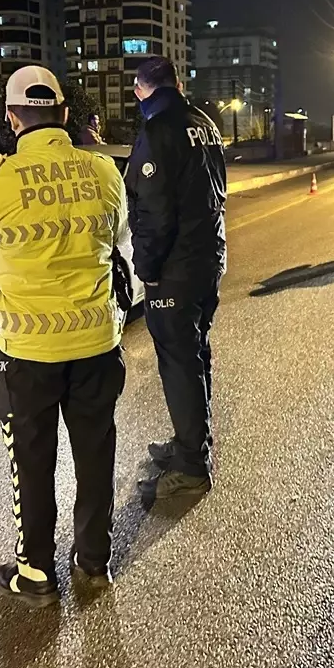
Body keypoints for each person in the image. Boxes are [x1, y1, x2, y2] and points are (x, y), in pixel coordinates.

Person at [0, 65, 129, 608]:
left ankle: (35, 572)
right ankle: (93, 559)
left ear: (11, 119)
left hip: (29, 351)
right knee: (95, 451)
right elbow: (116, 233)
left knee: (32, 461)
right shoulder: (103, 172)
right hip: (98, 343)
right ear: (66, 115)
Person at [126, 56, 227, 502]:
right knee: (196, 352)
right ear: (177, 83)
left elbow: (153, 214)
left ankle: (190, 466)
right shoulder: (204, 122)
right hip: (208, 260)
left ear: (139, 89)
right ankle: (192, 442)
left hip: (175, 270)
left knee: (180, 363)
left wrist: (146, 270)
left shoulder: (158, 130)